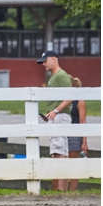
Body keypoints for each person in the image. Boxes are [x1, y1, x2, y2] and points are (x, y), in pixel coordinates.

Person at [37, 50, 73, 191]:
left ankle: (61, 188)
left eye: (45, 61)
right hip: (56, 116)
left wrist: (56, 111)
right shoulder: (54, 77)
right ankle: (60, 188)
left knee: (59, 152)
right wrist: (50, 113)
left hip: (60, 116)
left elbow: (70, 96)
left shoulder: (61, 75)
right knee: (58, 152)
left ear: (54, 59)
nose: (43, 64)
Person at [65, 76, 88, 191]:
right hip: (65, 132)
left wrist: (84, 141)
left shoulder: (79, 101)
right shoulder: (64, 101)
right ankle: (63, 189)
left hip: (75, 134)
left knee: (74, 164)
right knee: (64, 163)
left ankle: (72, 191)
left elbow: (83, 121)